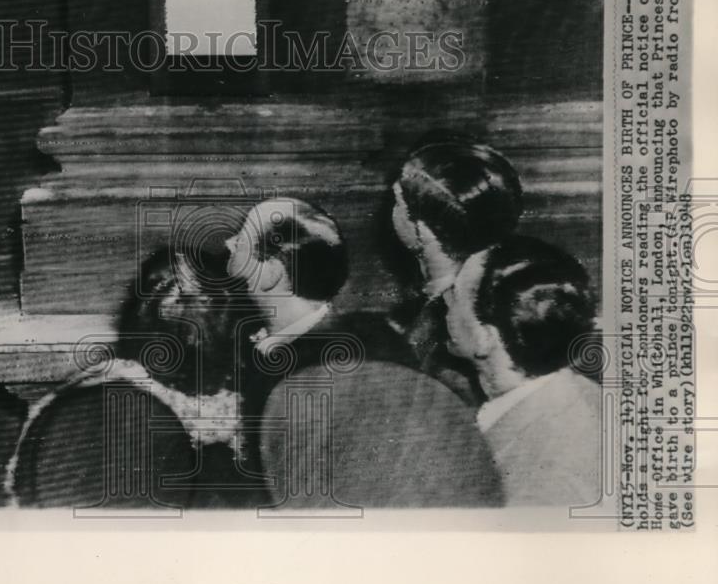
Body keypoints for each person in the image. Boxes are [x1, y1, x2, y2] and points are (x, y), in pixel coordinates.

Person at [225, 197, 503, 508]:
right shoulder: (363, 337)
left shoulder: (329, 366)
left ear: (272, 273)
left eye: (241, 241)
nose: (229, 244)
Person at [10, 247, 258, 509]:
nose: (197, 311)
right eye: (180, 298)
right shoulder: (114, 403)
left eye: (207, 300)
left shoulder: (242, 392)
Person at [444, 235, 602, 506]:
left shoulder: (544, 482)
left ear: (484, 337)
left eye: (455, 297)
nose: (446, 302)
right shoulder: (580, 394)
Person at [389, 141, 523, 405]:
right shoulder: (503, 306)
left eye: (397, 203)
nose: (391, 212)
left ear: (421, 231)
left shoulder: (444, 341)